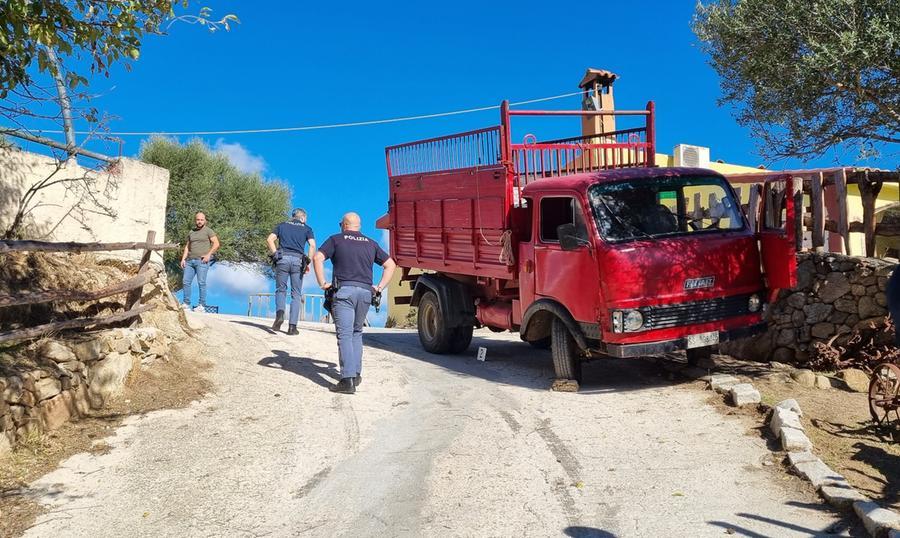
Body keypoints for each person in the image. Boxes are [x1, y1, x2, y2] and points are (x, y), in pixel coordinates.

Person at [313, 212, 396, 394]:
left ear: (343, 225)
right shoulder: (371, 243)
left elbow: (317, 257)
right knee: (357, 333)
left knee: (344, 335)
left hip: (344, 292)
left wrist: (322, 283)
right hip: (366, 293)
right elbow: (390, 264)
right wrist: (380, 287)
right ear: (359, 226)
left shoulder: (336, 239)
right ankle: (356, 374)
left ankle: (347, 380)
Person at [267, 208, 316, 335]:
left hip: (282, 258)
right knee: (296, 294)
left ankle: (280, 314)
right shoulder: (307, 228)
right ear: (303, 218)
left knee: (281, 289)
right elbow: (312, 245)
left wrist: (275, 254)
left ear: (293, 216)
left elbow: (270, 239)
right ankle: (292, 327)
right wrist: (308, 260)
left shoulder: (282, 225)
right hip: (298, 261)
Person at [180, 212, 219, 312]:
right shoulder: (191, 232)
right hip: (189, 261)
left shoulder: (208, 231)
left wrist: (208, 254)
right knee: (185, 282)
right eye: (198, 220)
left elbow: (216, 243)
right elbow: (187, 246)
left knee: (201, 283)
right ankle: (186, 304)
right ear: (195, 220)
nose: (200, 221)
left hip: (201, 261)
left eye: (202, 220)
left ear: (205, 220)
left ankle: (201, 305)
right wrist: (183, 259)